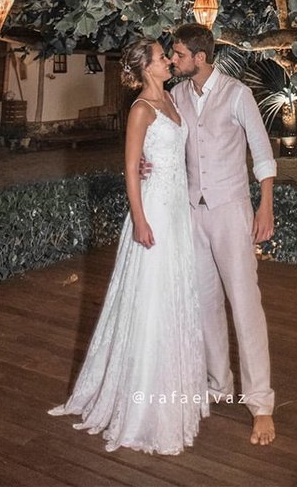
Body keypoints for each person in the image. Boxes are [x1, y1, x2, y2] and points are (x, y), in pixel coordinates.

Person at [50, 38, 207, 455]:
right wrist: (139, 219)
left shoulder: (172, 99)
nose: (168, 60)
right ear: (145, 69)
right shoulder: (140, 109)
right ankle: (142, 408)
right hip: (153, 210)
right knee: (150, 299)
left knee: (175, 295)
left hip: (176, 211)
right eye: (161, 58)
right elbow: (130, 169)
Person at [167, 23, 279, 445]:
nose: (174, 60)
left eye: (178, 54)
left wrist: (264, 206)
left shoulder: (237, 94)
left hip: (232, 211)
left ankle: (261, 405)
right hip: (191, 214)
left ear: (200, 57)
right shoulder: (177, 95)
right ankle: (218, 385)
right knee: (206, 303)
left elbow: (262, 153)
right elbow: (170, 147)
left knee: (245, 305)